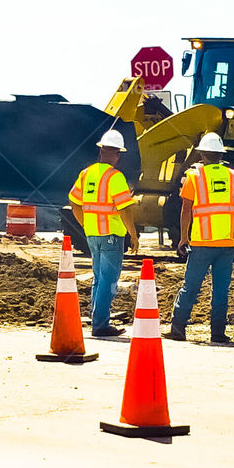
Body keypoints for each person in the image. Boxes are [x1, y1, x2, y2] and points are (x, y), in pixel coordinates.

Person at [166, 132, 234, 343]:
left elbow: (186, 210)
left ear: (201, 154)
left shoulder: (194, 177)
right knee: (221, 290)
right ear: (221, 154)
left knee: (191, 287)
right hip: (227, 243)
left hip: (201, 243)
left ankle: (178, 328)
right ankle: (218, 333)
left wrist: (183, 238)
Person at [68, 129, 140, 337]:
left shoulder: (86, 173)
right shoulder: (115, 177)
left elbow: (74, 202)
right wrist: (133, 235)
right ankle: (100, 325)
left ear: (101, 151)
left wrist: (85, 224)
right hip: (111, 235)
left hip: (93, 234)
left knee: (99, 279)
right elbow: (125, 208)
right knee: (108, 281)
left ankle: (97, 320)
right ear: (117, 154)